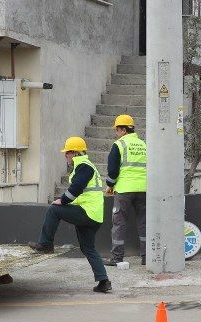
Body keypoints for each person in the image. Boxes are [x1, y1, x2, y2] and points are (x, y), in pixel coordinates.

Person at [28, 136, 111, 293]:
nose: (65, 156)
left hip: (87, 212)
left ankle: (45, 244)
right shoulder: (86, 166)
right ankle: (104, 281)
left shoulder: (84, 165)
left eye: (67, 153)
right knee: (88, 248)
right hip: (93, 215)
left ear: (74, 153)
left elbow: (77, 187)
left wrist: (63, 200)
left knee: (53, 210)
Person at [104, 114, 147, 267]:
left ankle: (117, 257)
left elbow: (113, 170)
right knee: (144, 223)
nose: (116, 133)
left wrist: (110, 185)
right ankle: (146, 257)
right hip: (144, 189)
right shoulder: (143, 144)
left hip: (124, 190)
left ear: (122, 130)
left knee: (119, 223)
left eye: (117, 130)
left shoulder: (119, 145)